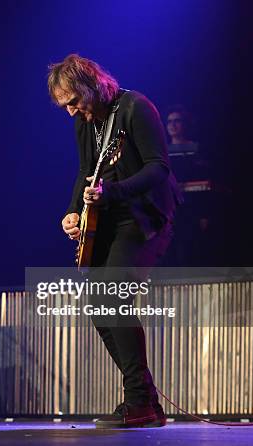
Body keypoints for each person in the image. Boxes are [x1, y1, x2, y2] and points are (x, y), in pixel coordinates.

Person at [48, 54, 181, 428]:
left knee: (112, 296)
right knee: (98, 306)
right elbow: (84, 172)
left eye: (74, 101)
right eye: (65, 106)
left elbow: (159, 168)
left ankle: (138, 400)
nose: (71, 111)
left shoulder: (136, 108)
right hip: (108, 217)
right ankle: (147, 403)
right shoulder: (85, 123)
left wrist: (114, 192)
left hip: (145, 217)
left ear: (92, 85)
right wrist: (73, 211)